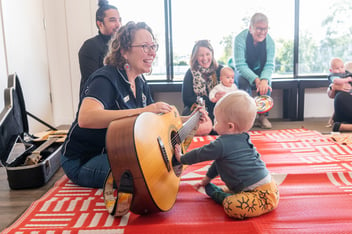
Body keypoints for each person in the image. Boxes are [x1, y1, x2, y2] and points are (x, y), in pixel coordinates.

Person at [61, 21, 207, 190]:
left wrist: (189, 119)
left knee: (159, 168)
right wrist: (143, 111)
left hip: (118, 152)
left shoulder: (139, 81)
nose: (152, 52)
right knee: (150, 175)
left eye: (154, 46)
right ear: (124, 51)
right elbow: (86, 118)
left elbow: (156, 120)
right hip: (83, 159)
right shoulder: (105, 78)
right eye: (145, 46)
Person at [174, 90, 279, 219]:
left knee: (231, 206)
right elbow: (219, 162)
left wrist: (182, 158)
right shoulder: (242, 137)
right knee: (220, 189)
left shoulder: (222, 144)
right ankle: (233, 194)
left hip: (262, 196)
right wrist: (207, 179)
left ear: (230, 127)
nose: (214, 123)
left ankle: (224, 197)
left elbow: (200, 154)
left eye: (217, 120)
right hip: (268, 188)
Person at [232, 12, 275, 129]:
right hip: (241, 70)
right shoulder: (239, 39)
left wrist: (264, 80)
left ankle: (262, 117)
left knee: (267, 84)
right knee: (243, 83)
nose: (262, 32)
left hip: (260, 70)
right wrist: (256, 79)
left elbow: (269, 64)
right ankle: (247, 117)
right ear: (251, 28)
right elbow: (240, 65)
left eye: (265, 29)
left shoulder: (270, 42)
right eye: (259, 28)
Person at [78, 0, 121, 95]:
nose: (118, 25)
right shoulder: (90, 46)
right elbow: (94, 82)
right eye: (113, 20)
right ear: (100, 23)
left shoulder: (120, 46)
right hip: (97, 100)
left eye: (119, 20)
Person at [181, 40, 224, 135]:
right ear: (195, 57)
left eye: (207, 54)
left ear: (212, 54)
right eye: (201, 55)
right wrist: (211, 98)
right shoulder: (190, 72)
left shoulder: (221, 70)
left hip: (218, 107)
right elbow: (187, 99)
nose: (205, 58)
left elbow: (230, 88)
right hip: (199, 108)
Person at [327, 57, 352, 132]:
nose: (340, 69)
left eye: (341, 67)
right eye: (338, 68)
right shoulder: (347, 69)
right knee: (341, 96)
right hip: (344, 102)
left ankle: (344, 126)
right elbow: (330, 93)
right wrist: (332, 87)